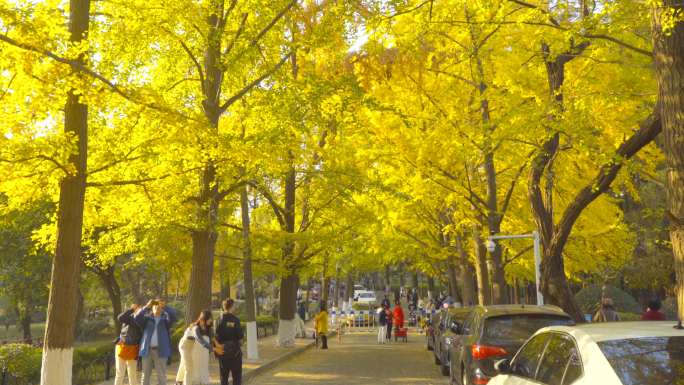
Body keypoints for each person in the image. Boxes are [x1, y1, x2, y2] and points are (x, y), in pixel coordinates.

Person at [135, 299, 177, 385]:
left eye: (159, 306)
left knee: (161, 377)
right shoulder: (146, 320)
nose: (157, 307)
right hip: (147, 350)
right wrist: (146, 306)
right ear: (152, 308)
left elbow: (173, 316)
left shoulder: (165, 321)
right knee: (145, 376)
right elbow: (136, 318)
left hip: (161, 351)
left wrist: (165, 306)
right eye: (155, 306)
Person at [176, 310, 217, 385]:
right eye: (209, 319)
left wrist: (213, 347)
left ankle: (179, 381)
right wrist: (213, 349)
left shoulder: (206, 328)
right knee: (189, 368)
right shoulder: (195, 328)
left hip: (191, 345)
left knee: (184, 364)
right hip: (185, 346)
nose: (210, 321)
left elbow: (211, 339)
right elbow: (200, 340)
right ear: (204, 319)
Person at [215, 298, 244, 385]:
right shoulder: (235, 320)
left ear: (224, 307)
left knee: (224, 377)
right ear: (232, 307)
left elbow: (215, 336)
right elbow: (240, 338)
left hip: (222, 352)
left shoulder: (218, 320)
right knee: (237, 377)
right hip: (235, 353)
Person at [114, 303, 142, 385]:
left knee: (132, 374)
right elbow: (120, 317)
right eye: (135, 308)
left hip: (133, 349)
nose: (137, 310)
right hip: (122, 347)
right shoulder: (128, 318)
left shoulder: (142, 321)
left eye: (138, 308)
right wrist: (131, 310)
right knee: (120, 374)